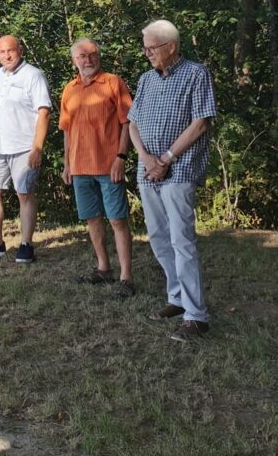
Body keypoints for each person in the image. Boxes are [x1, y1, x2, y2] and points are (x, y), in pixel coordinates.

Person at [128, 19, 216, 342]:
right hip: (148, 171)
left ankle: (197, 316)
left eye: (152, 48)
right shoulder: (146, 80)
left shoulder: (196, 74)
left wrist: (167, 158)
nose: (147, 53)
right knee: (158, 237)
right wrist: (147, 158)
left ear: (171, 46)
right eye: (146, 47)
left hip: (178, 170)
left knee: (182, 240)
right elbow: (132, 124)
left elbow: (200, 123)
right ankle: (177, 299)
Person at [60, 38, 134, 298]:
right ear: (74, 61)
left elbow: (128, 122)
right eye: (82, 56)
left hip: (108, 164)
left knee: (117, 219)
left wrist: (121, 157)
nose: (88, 60)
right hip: (79, 167)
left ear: (99, 56)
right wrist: (67, 163)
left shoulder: (113, 82)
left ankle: (126, 278)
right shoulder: (69, 89)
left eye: (92, 54)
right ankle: (103, 269)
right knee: (92, 218)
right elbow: (67, 131)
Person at [0, 35, 51, 261]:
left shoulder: (34, 76)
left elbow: (44, 112)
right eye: (1, 52)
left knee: (24, 194)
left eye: (10, 51)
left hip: (23, 147)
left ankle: (26, 245)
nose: (6, 56)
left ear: (20, 50)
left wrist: (37, 147)